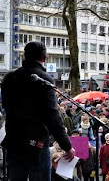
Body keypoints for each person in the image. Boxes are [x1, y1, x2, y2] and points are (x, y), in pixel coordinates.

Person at [1, 41, 75, 180]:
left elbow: (5, 105)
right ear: (44, 57)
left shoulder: (9, 77)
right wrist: (67, 146)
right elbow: (53, 116)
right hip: (36, 144)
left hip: (14, 140)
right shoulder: (43, 79)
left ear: (25, 56)